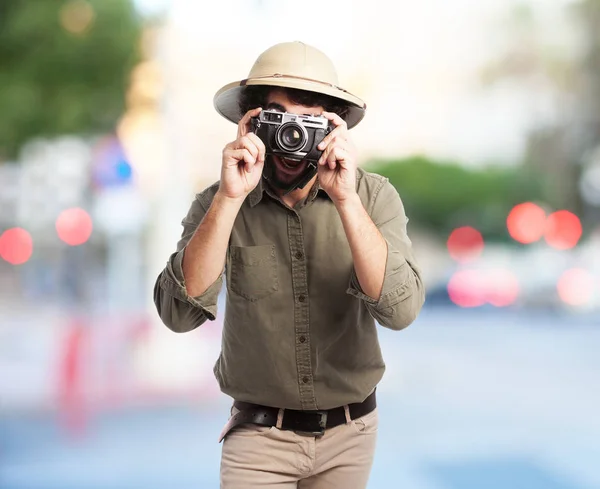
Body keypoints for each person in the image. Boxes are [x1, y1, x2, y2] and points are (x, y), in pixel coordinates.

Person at [153, 41, 425, 489]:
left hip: (350, 435)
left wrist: (346, 198)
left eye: (308, 122)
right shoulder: (218, 201)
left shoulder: (372, 197)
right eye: (278, 118)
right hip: (257, 437)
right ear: (251, 123)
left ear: (333, 129)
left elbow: (400, 312)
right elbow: (177, 315)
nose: (292, 138)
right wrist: (229, 198)